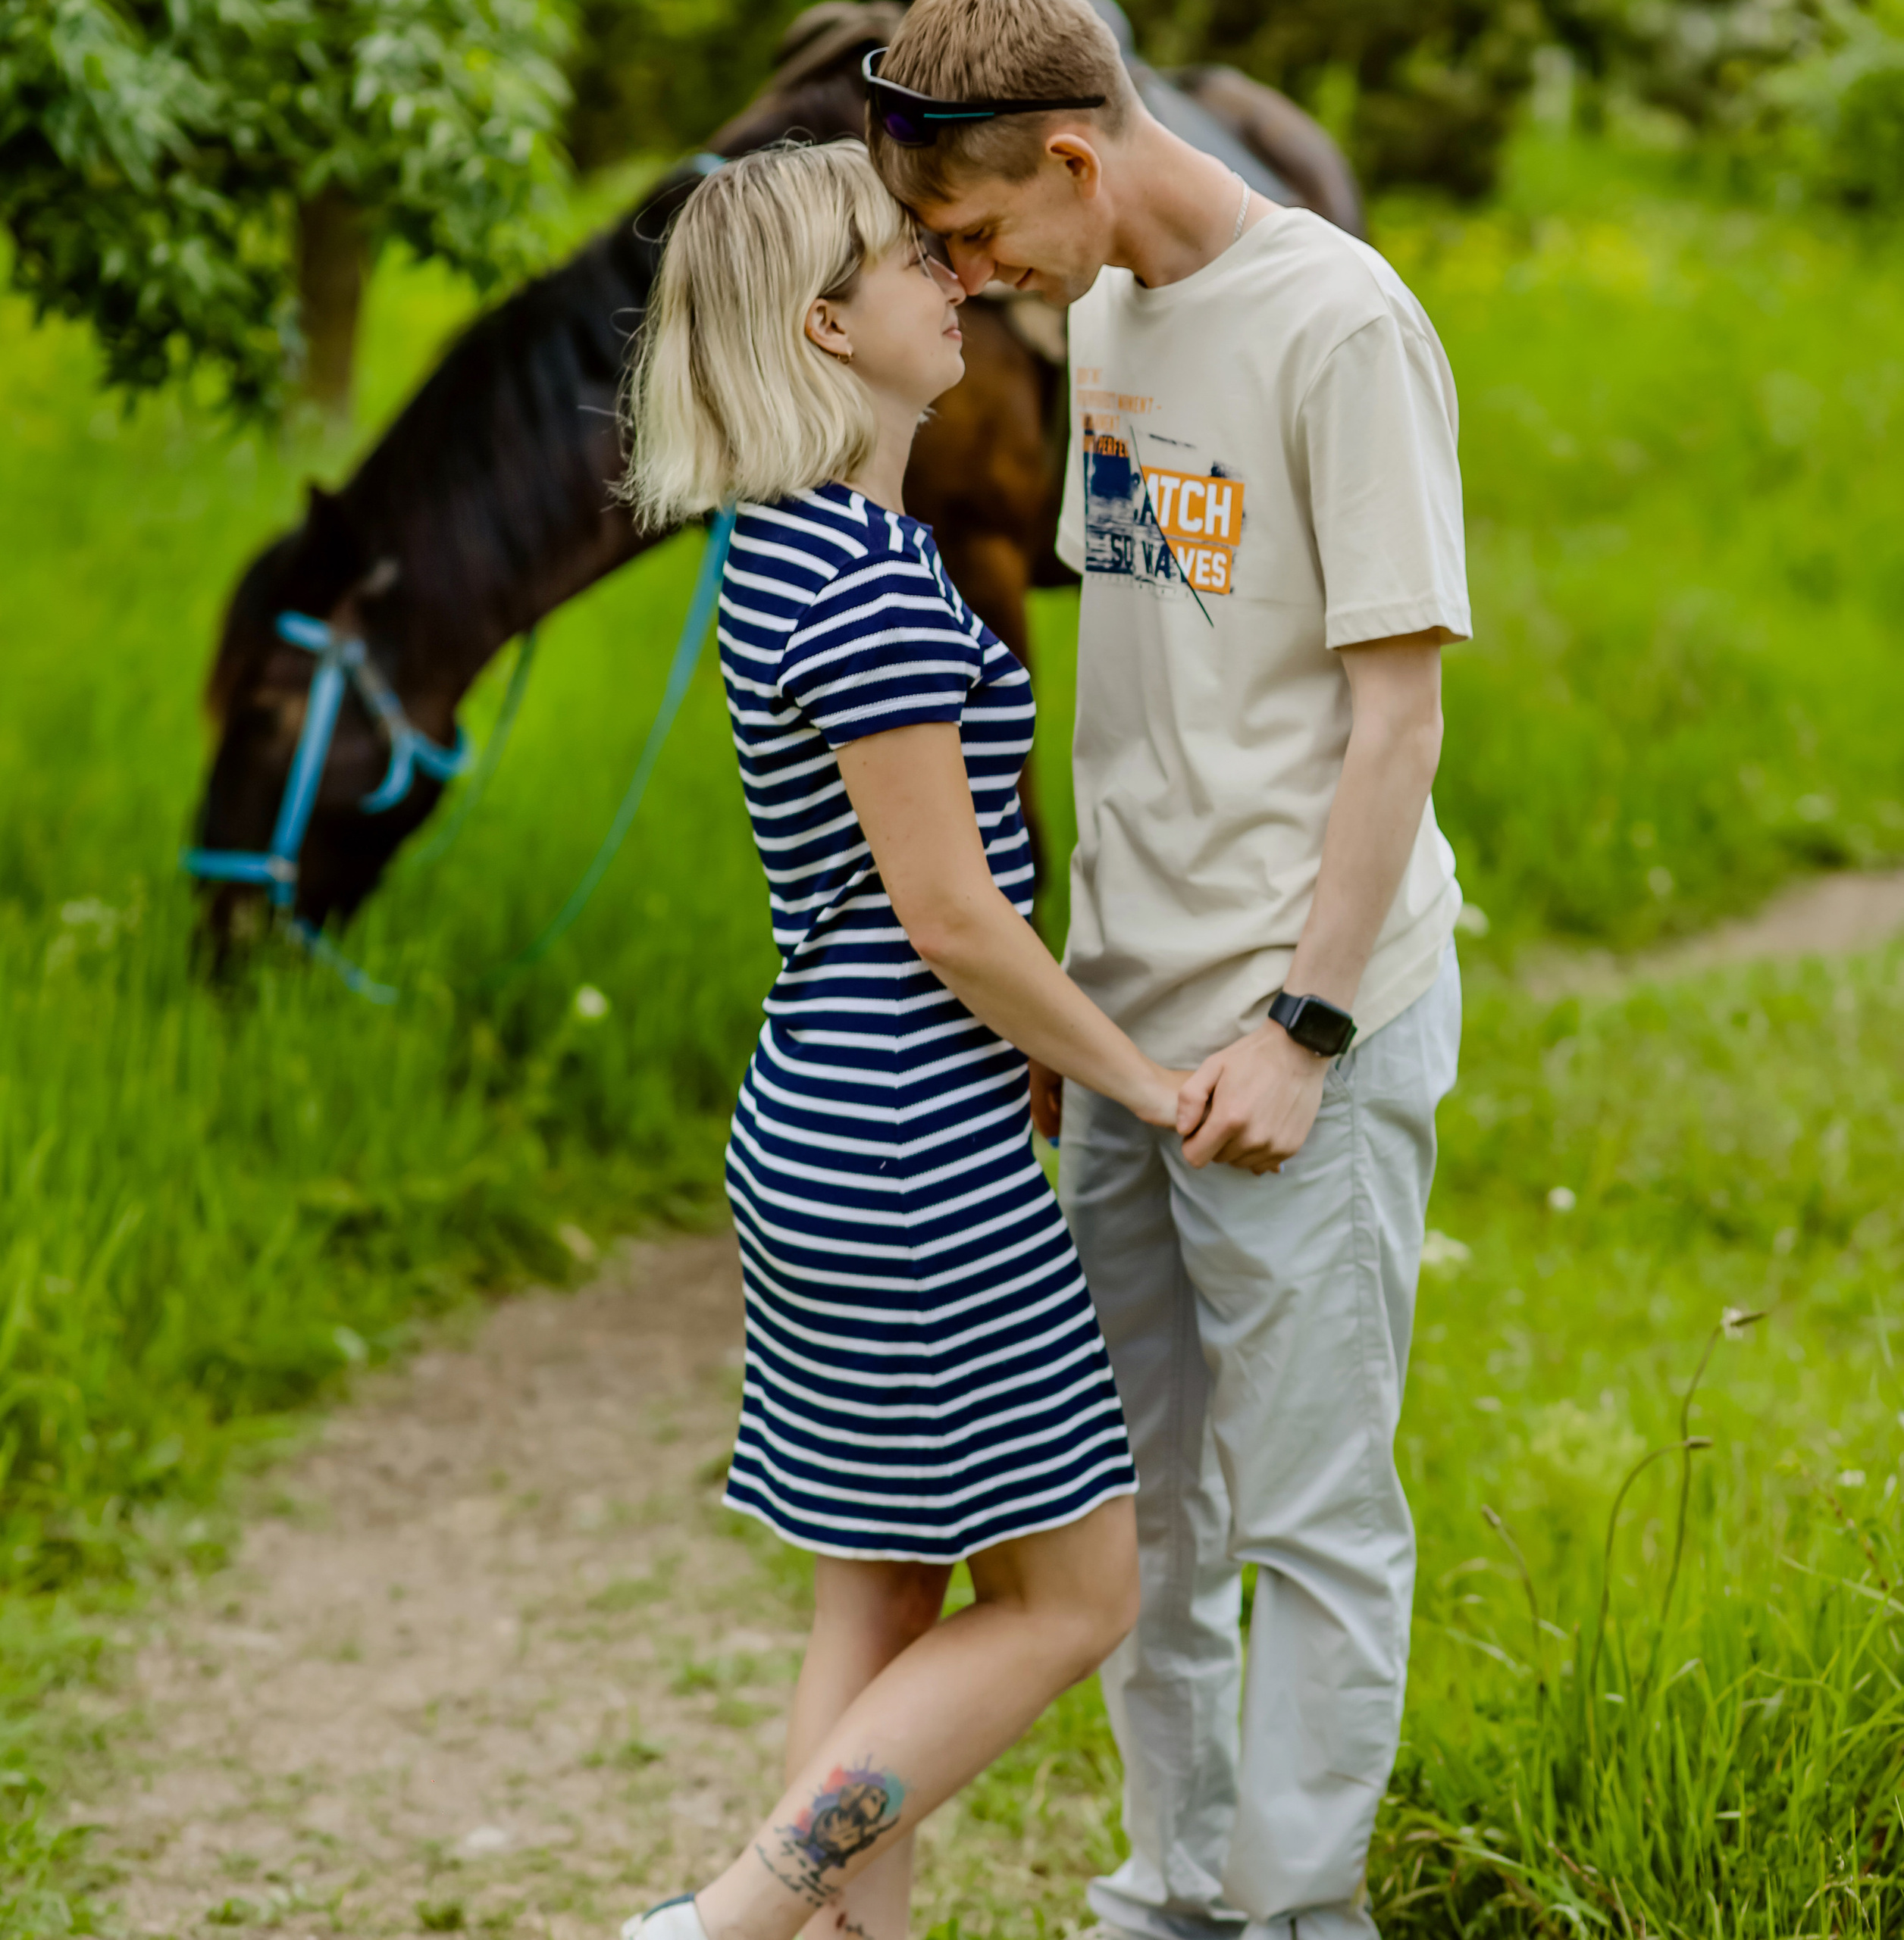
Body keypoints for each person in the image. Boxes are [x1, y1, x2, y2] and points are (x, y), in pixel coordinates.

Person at [866, 5, 1470, 1937]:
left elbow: (1394, 726)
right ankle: (1178, 1889)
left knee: (1305, 1513)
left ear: (1070, 159)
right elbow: (1135, 688)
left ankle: (1297, 1912)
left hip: (1297, 1020)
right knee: (1147, 1511)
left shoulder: (1339, 323)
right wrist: (1066, 991)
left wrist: (1299, 1025)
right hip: (1122, 1029)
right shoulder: (1108, 319)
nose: (964, 285)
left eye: (968, 236)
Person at [618, 139, 1192, 1940]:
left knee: (876, 1595)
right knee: (1077, 1592)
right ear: (824, 322)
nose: (954, 281)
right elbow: (949, 917)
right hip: (910, 1152)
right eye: (908, 261)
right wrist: (1145, 1080)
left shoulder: (780, 550)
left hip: (822, 1120)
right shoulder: (865, 584)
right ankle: (726, 1918)